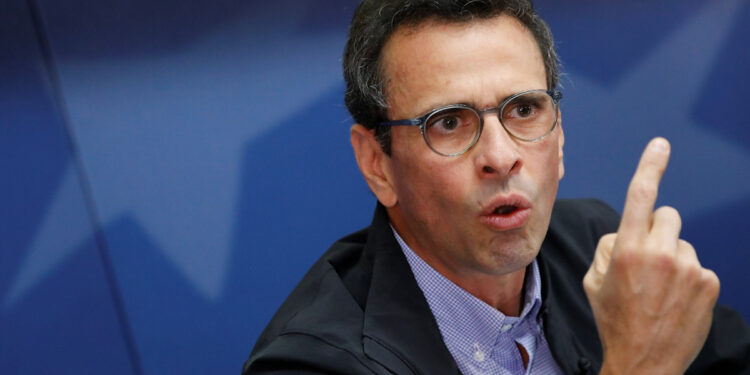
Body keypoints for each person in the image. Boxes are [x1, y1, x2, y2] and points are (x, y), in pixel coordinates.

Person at [243, 0, 750, 374]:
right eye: (448, 123)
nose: (501, 157)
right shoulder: (309, 363)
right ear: (378, 163)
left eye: (525, 110)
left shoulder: (604, 249)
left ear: (561, 134)